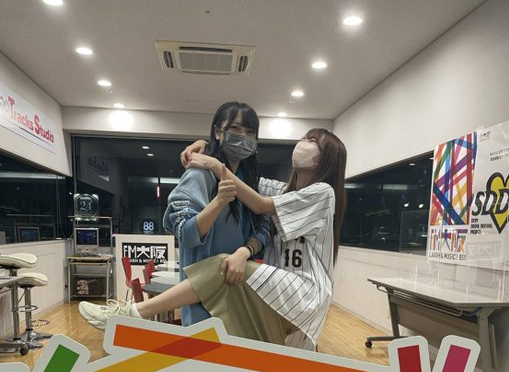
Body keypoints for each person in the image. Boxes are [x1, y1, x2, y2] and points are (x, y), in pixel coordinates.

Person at [79, 129, 347, 351]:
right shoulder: (283, 190)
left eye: (312, 141)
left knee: (222, 266)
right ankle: (136, 314)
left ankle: (135, 313)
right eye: (305, 137)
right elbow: (243, 179)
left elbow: (260, 204)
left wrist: (213, 164)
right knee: (281, 358)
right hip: (281, 291)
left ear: (326, 159)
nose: (303, 142)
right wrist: (207, 146)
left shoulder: (324, 193)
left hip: (304, 290)